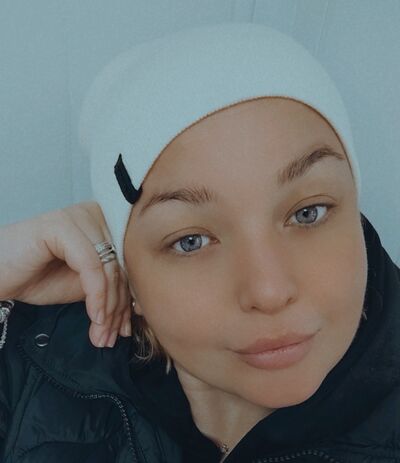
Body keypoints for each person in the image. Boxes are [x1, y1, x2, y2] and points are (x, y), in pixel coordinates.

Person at [1, 22, 399, 463]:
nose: (269, 292)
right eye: (191, 240)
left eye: (308, 213)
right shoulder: (33, 364)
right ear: (130, 277)